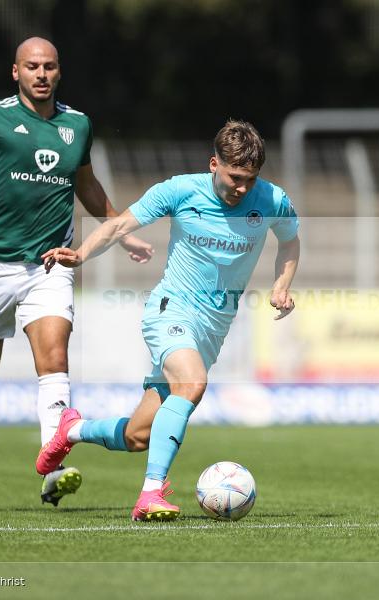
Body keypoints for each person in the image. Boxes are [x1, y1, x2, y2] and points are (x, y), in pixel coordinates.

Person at [0, 37, 153, 506]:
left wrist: (118, 226)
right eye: (32, 67)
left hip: (50, 263)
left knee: (54, 357)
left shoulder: (77, 124)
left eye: (49, 66)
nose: (41, 74)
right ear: (16, 72)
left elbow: (84, 184)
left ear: (59, 71)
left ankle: (54, 466)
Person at [37, 120, 300, 521]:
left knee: (138, 435)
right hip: (170, 310)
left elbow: (290, 240)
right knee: (192, 383)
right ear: (214, 163)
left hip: (214, 327)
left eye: (250, 179)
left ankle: (71, 429)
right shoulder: (179, 190)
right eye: (234, 177)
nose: (242, 189)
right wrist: (81, 253)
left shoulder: (272, 200)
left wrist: (282, 283)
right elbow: (121, 224)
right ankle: (150, 494)